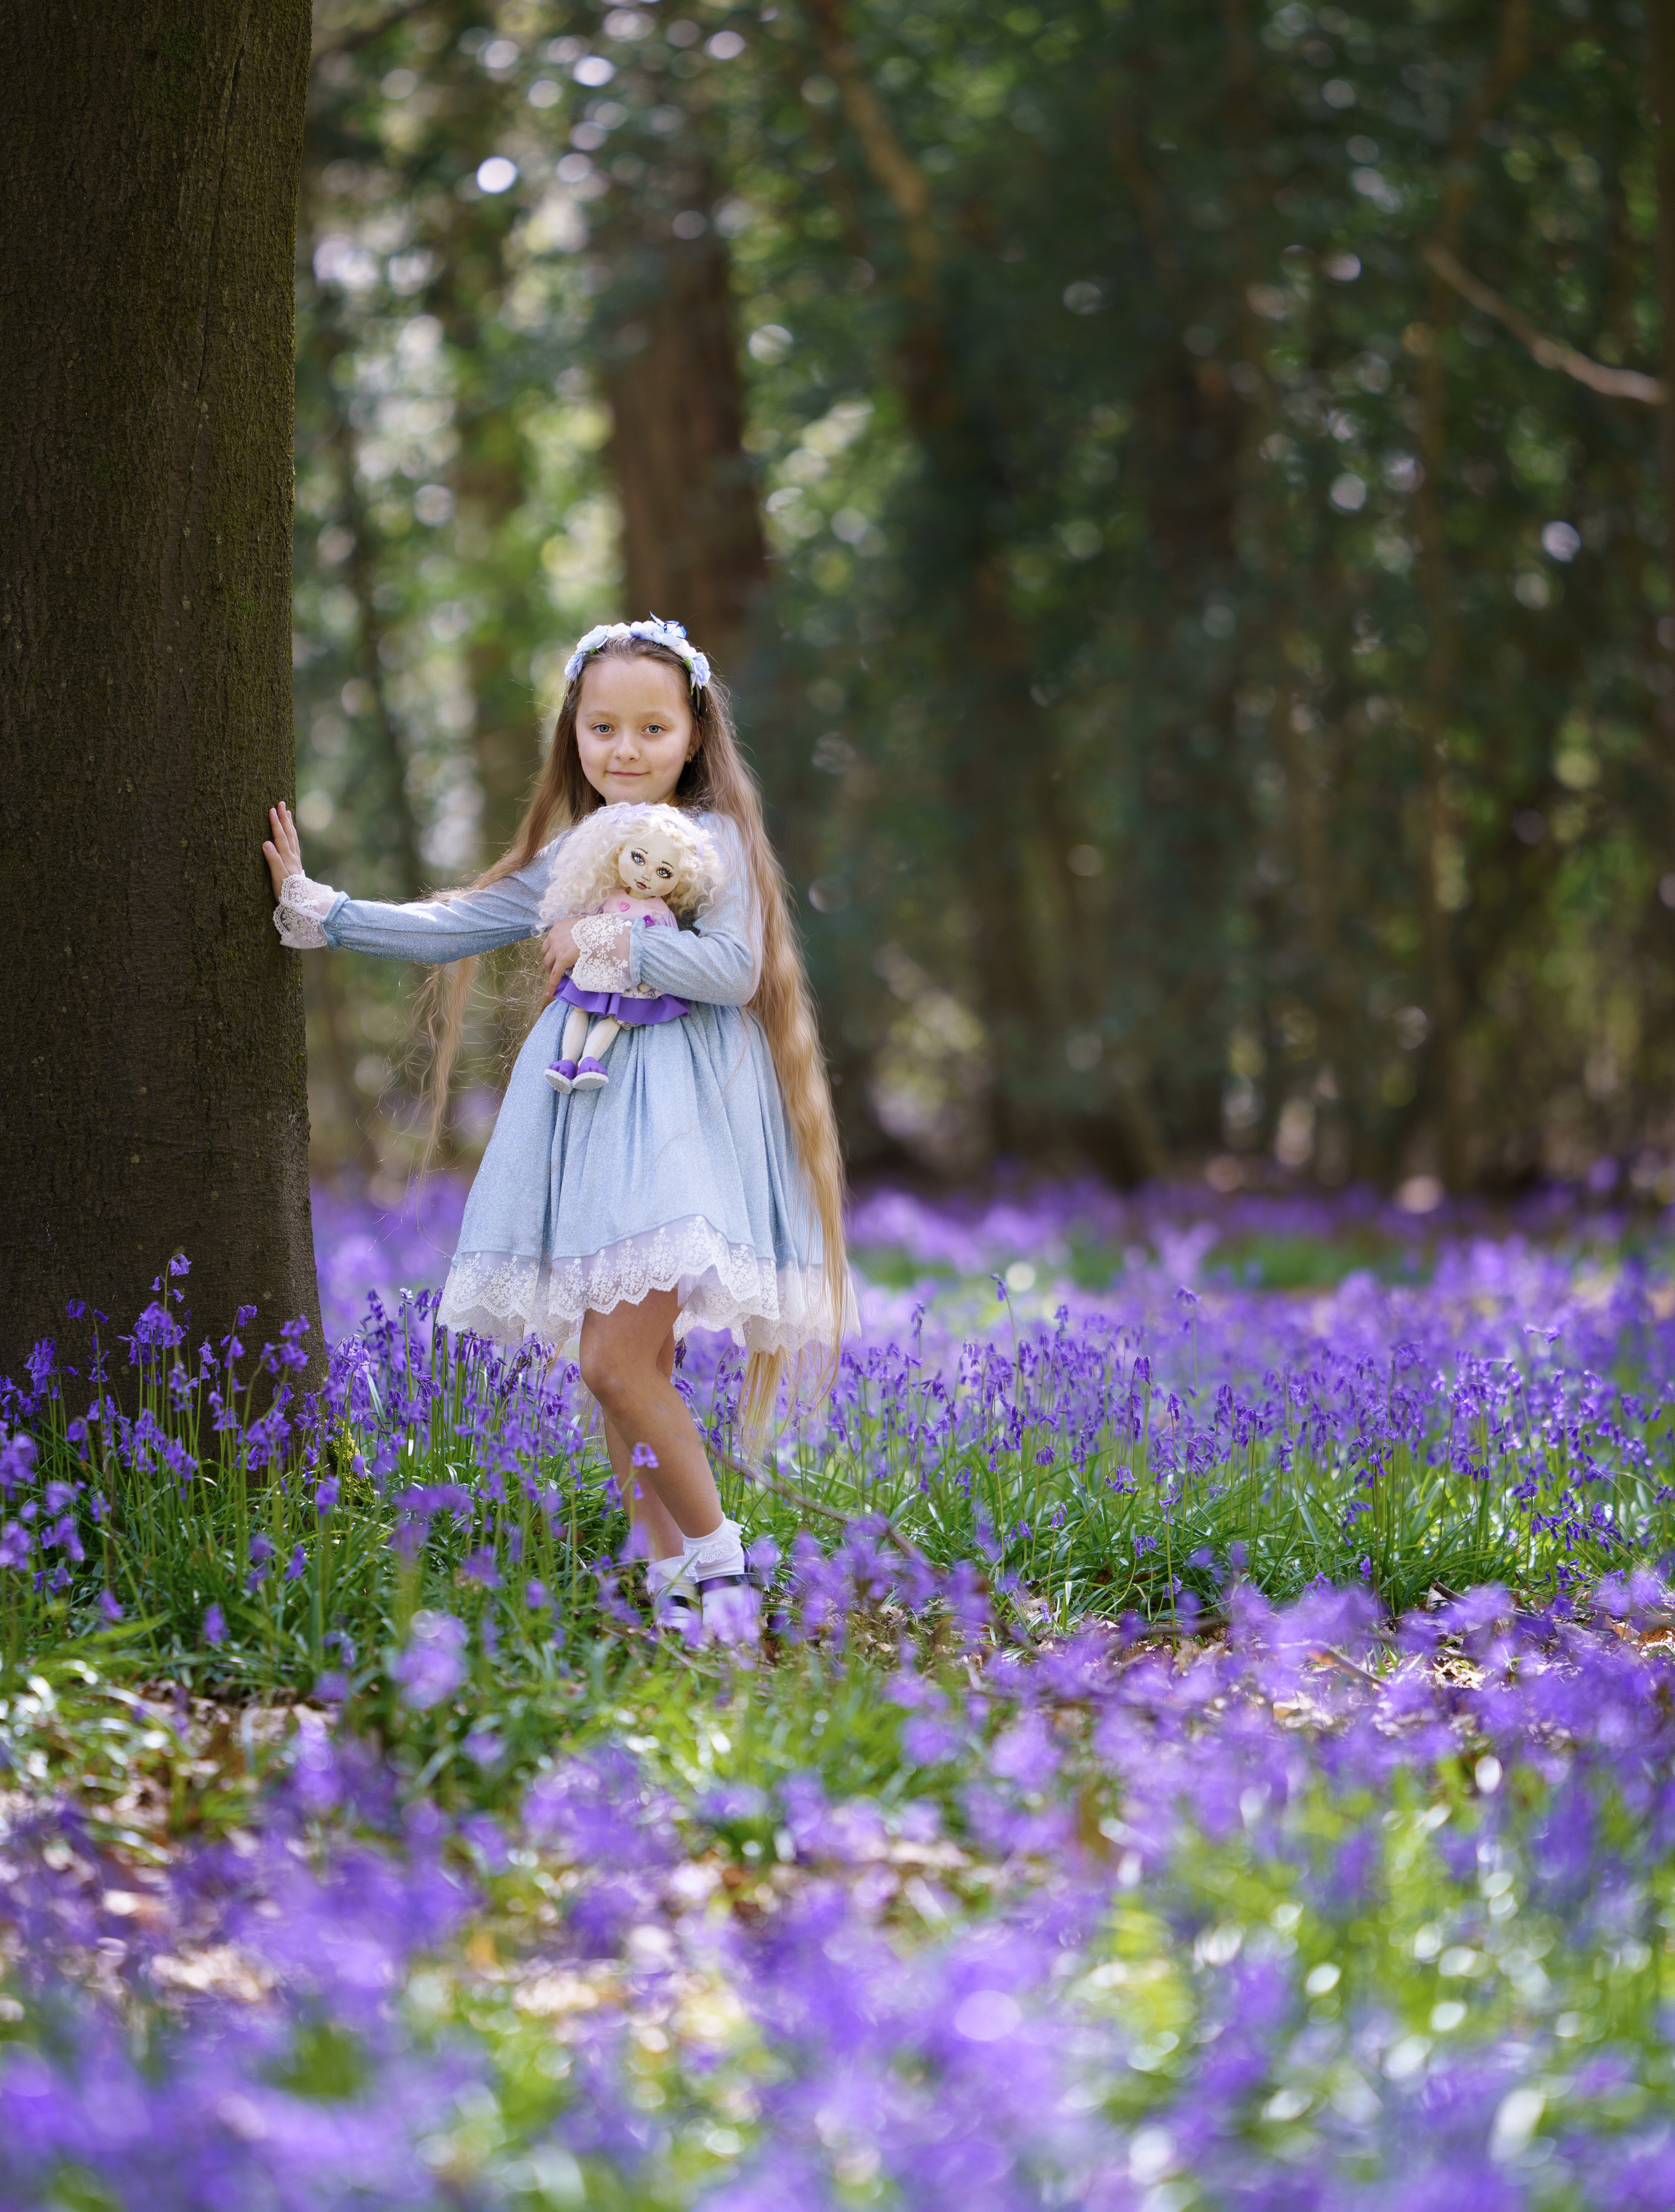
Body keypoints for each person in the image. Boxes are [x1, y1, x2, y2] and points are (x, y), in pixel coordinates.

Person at [263, 615, 851, 1637]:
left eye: (652, 730)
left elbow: (733, 972)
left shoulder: (714, 844)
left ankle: (723, 1576)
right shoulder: (574, 854)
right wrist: (324, 910)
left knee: (611, 1365)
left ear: (696, 737)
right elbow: (461, 921)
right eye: (602, 728)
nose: (625, 751)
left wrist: (600, 943)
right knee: (635, 1375)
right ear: (573, 735)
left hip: (683, 1131)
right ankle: (674, 1594)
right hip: (593, 1132)